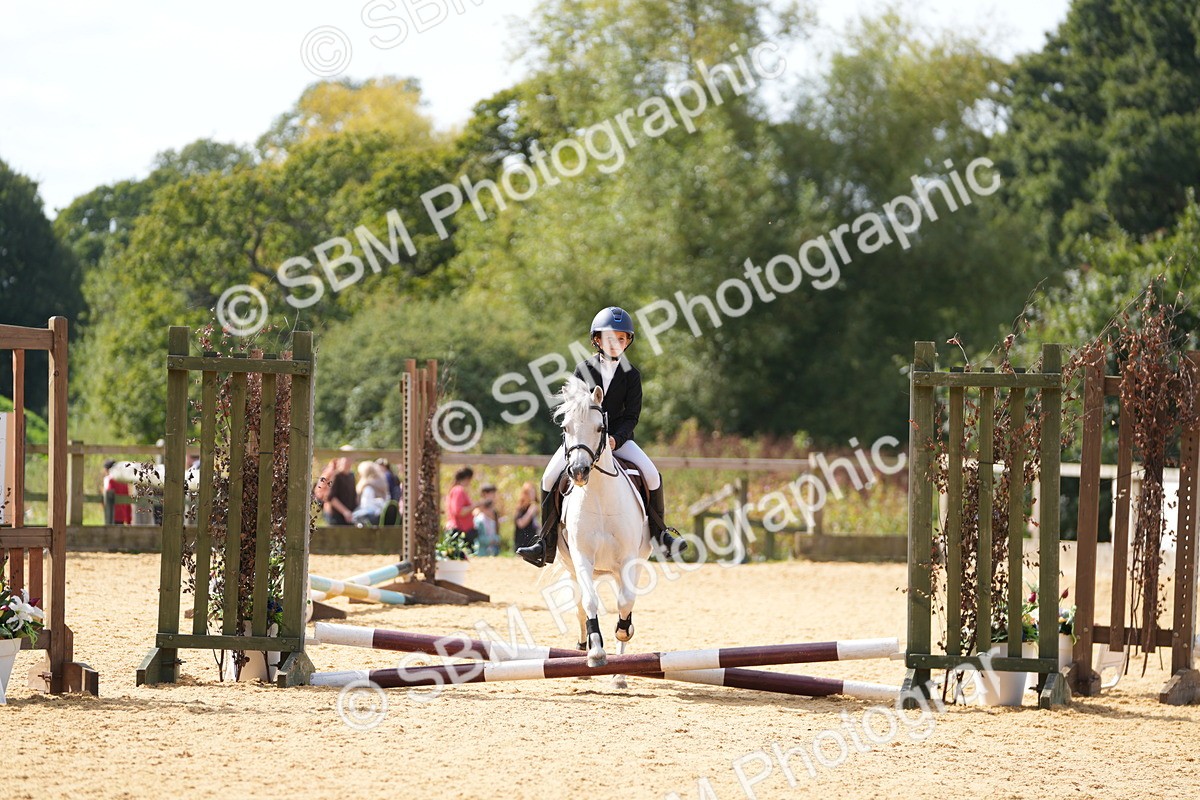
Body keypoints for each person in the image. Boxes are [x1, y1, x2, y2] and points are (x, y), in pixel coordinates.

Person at [517, 306, 685, 567]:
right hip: (583, 442)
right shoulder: (583, 369)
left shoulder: (632, 375)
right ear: (597, 340)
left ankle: (661, 534)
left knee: (652, 475)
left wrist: (616, 439)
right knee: (549, 477)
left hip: (618, 441)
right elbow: (573, 409)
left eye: (622, 338)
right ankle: (545, 543)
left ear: (628, 341)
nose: (616, 344)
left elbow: (632, 416)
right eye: (610, 338)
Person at [444, 466, 481, 550]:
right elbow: (459, 511)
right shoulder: (458, 490)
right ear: (467, 478)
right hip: (459, 531)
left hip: (462, 530)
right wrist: (474, 506)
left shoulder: (455, 490)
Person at [352, 461, 389, 526]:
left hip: (371, 516)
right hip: (381, 513)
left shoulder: (368, 487)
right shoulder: (381, 483)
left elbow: (366, 505)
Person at [322, 456, 357, 525]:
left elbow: (353, 495)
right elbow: (330, 497)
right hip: (336, 516)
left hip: (349, 516)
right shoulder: (336, 475)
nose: (347, 461)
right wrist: (345, 512)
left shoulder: (351, 475)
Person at [473, 483, 501, 556]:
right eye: (492, 494)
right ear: (485, 494)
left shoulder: (494, 512)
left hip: (493, 549)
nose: (494, 496)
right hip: (481, 550)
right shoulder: (478, 511)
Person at [102, 459, 132, 525]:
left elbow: (107, 497)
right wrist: (128, 520)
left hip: (111, 514)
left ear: (107, 470)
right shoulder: (124, 482)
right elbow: (127, 501)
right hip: (122, 515)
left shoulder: (109, 480)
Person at [513, 481, 539, 551]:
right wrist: (530, 512)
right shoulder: (521, 507)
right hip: (522, 544)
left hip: (532, 543)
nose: (531, 495)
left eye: (533, 492)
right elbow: (520, 524)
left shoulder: (535, 507)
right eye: (529, 493)